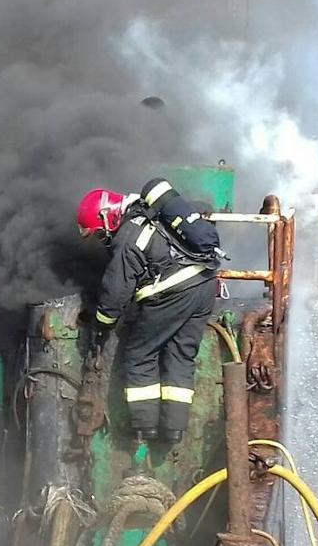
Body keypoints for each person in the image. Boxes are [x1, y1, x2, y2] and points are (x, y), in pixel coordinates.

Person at [77, 183, 219, 445]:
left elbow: (116, 292)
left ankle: (145, 427)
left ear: (107, 217)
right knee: (181, 353)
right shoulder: (151, 216)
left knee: (141, 354)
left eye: (99, 233)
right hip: (205, 284)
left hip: (174, 292)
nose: (101, 238)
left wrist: (101, 324)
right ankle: (175, 429)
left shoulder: (128, 235)